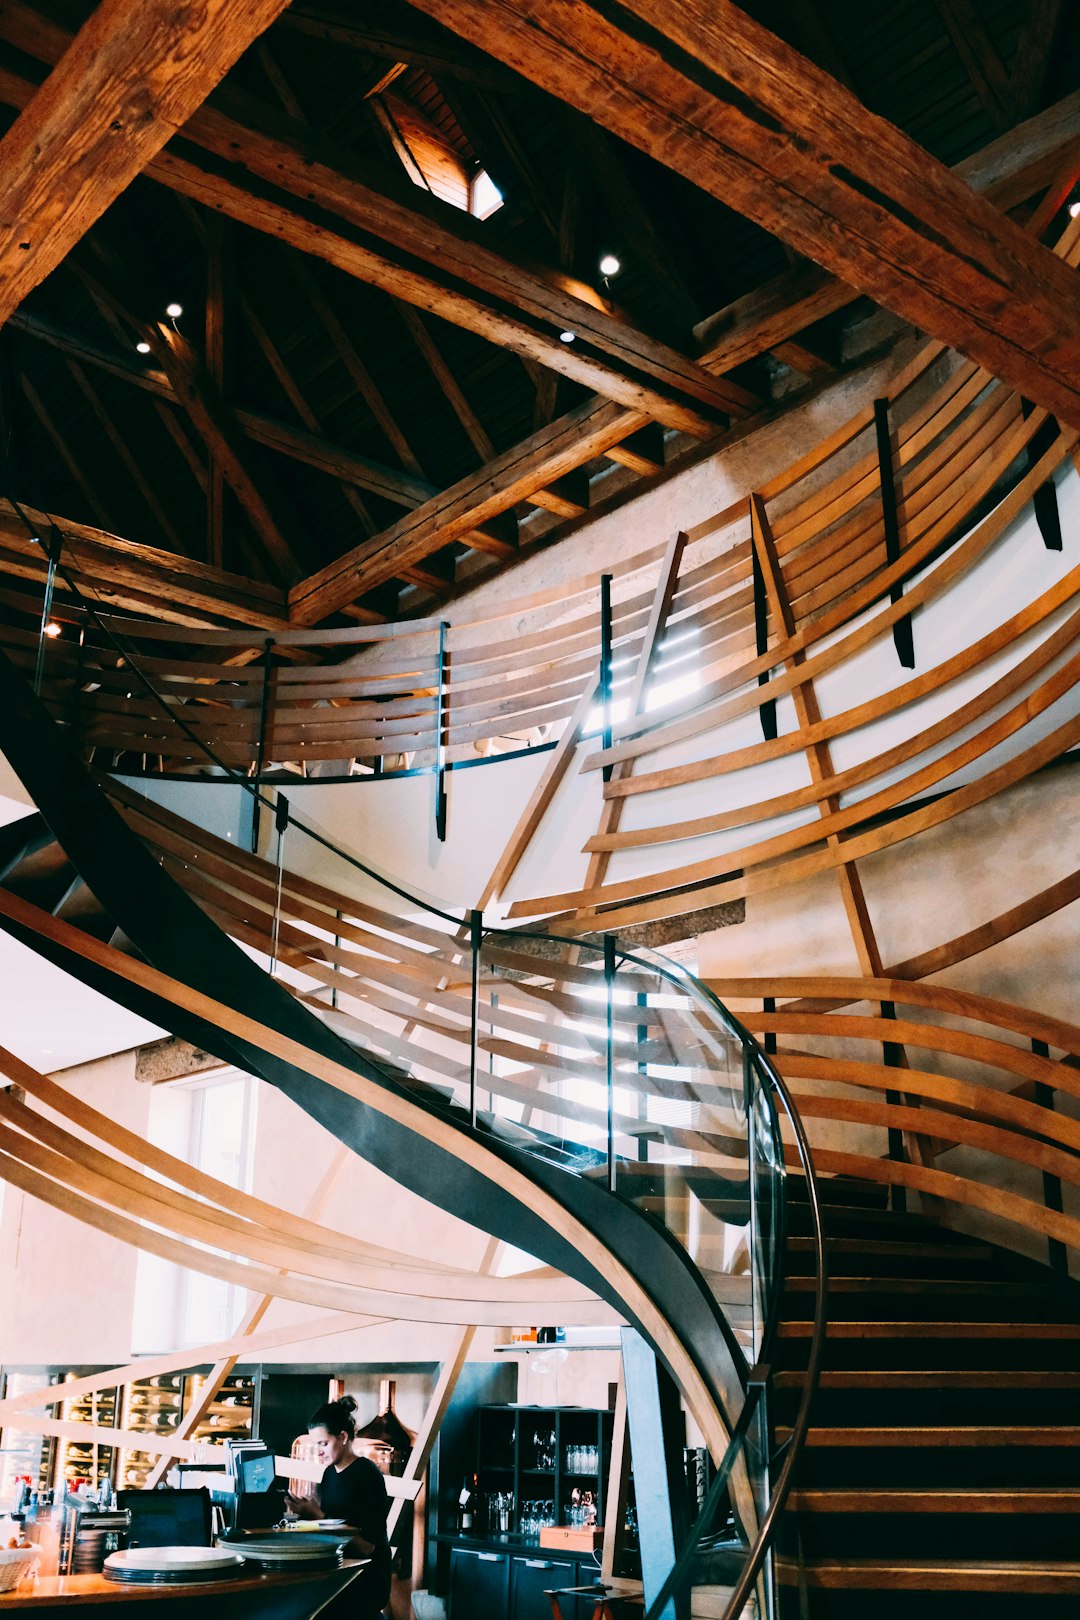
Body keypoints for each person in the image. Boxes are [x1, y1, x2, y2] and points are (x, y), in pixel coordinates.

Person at [285, 1394, 392, 1618]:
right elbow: (330, 1520)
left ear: (343, 1437)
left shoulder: (367, 1475)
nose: (319, 1451)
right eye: (315, 1445)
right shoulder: (329, 1474)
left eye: (323, 1444)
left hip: (364, 1577)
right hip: (339, 1569)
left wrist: (317, 1516)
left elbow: (367, 1547)